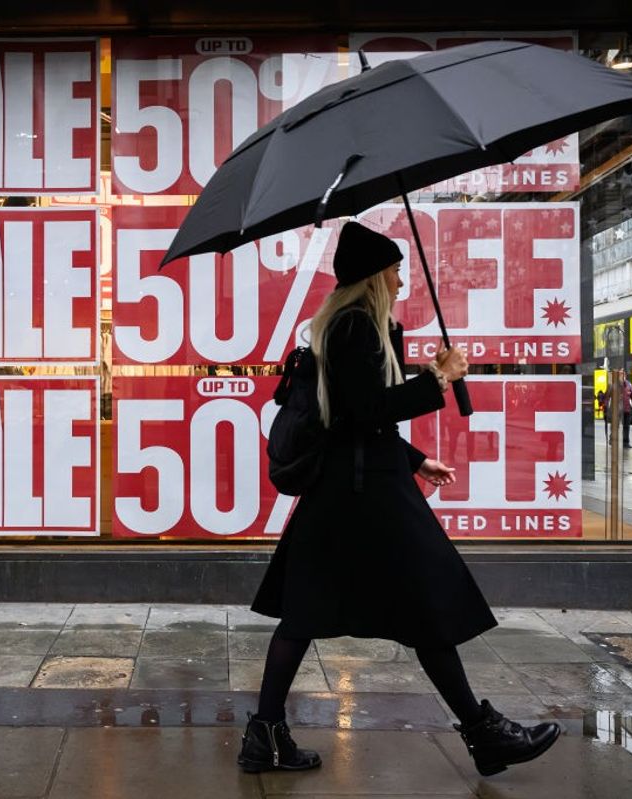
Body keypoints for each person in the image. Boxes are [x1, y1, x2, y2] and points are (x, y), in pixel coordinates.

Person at [238, 222, 559, 777]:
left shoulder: (360, 325)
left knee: (310, 612)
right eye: (393, 268)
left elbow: (358, 421)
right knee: (425, 603)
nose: (401, 278)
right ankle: (483, 734)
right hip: (366, 497)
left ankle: (262, 735)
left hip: (351, 490)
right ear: (372, 277)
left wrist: (416, 460)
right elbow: (367, 412)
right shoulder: (355, 327)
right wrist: (437, 378)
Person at [604, 374, 632, 448]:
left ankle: (625, 442)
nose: (623, 376)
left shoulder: (629, 385)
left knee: (626, 426)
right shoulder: (612, 385)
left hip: (626, 410)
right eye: (621, 374)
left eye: (624, 374)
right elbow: (606, 397)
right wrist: (606, 406)